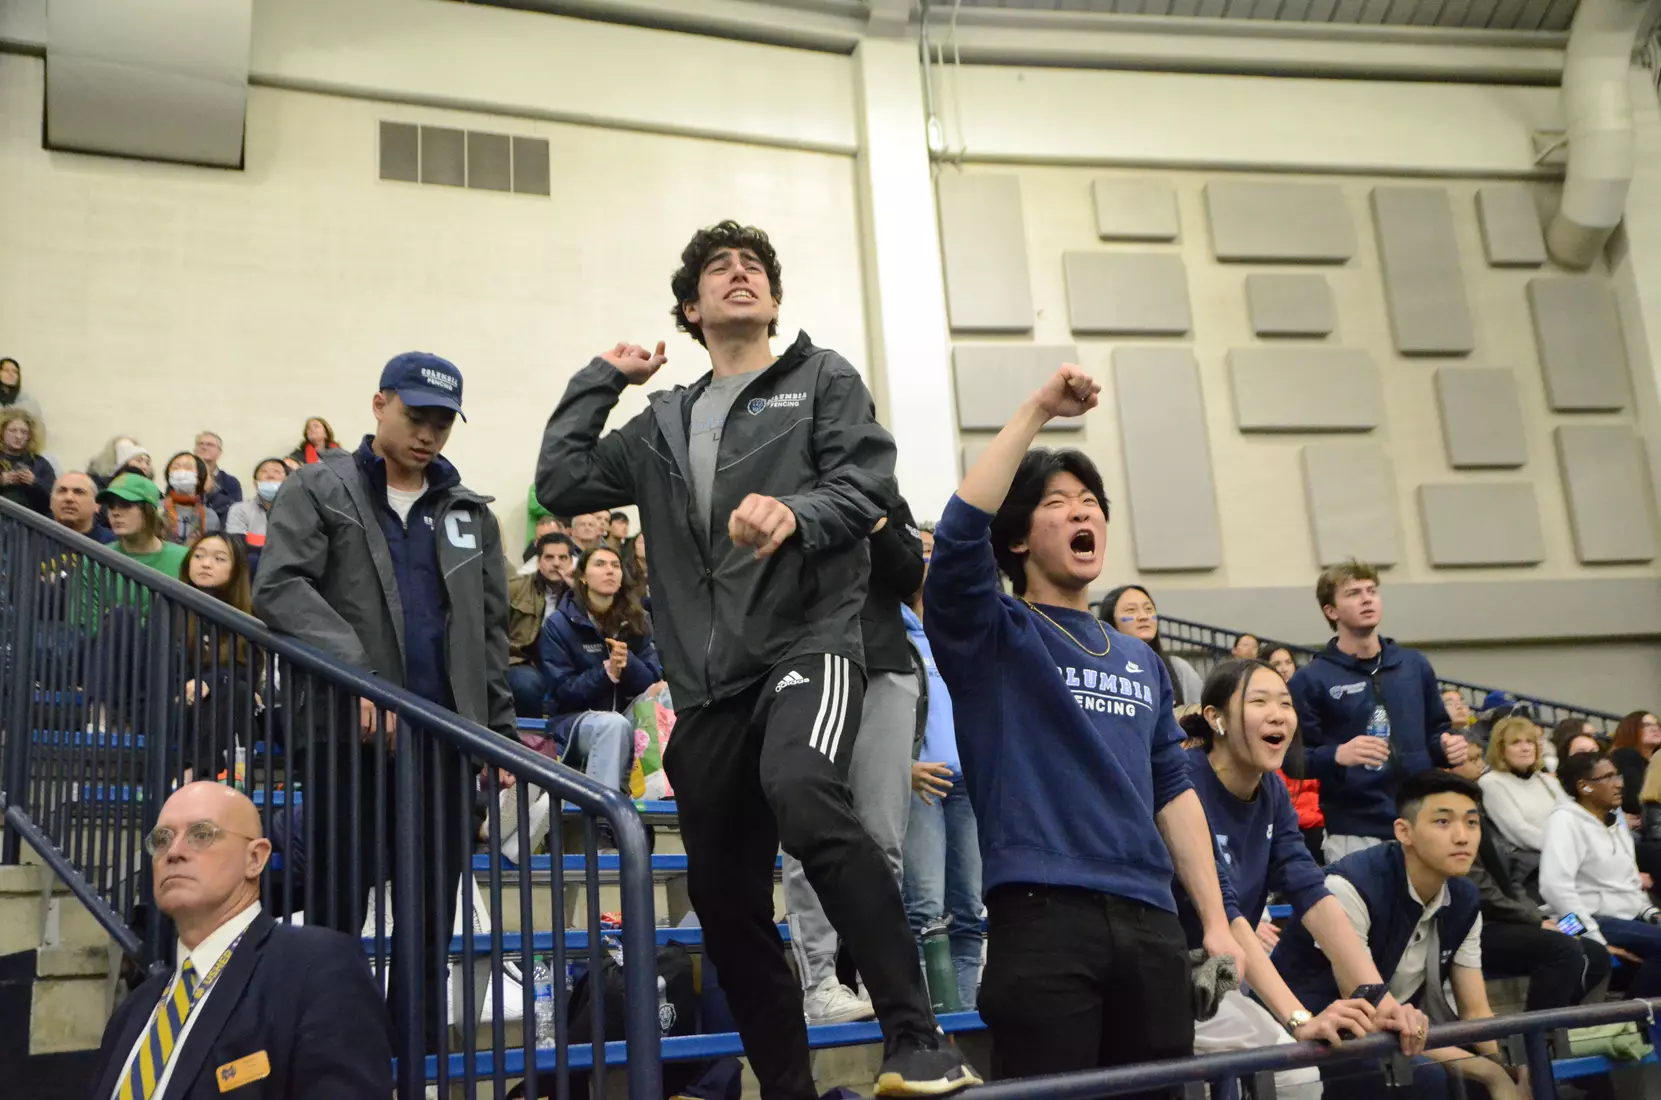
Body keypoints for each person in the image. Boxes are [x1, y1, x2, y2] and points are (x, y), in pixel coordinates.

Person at [537, 219, 972, 1098]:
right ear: (690, 310)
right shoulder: (660, 423)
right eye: (717, 268)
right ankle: (785, 1087)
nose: (739, 274)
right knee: (722, 897)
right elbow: (563, 481)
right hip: (705, 685)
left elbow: (865, 485)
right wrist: (602, 378)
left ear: (773, 300)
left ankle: (917, 1040)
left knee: (803, 790)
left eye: (754, 267)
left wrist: (796, 512)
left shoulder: (821, 379)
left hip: (808, 642)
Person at [922, 363, 1243, 1090]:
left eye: (1091, 503)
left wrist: (1214, 921)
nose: (1082, 515)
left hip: (1152, 921)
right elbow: (962, 529)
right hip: (1041, 915)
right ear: (1016, 539)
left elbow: (1173, 789)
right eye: (1058, 504)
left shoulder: (1139, 658)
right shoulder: (992, 631)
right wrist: (1038, 408)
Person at [253, 351, 515, 1053]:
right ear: (379, 404)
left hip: (445, 741)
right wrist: (359, 674)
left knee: (430, 916)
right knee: (337, 907)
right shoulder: (318, 485)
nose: (428, 434)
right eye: (415, 416)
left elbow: (489, 632)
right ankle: (328, 1053)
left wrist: (499, 733)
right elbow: (280, 586)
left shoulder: (469, 514)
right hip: (348, 731)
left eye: (441, 424)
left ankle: (416, 1054)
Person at [1176, 660, 1428, 1097]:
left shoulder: (1272, 790)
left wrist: (1378, 997)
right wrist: (1298, 1020)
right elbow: (1227, 912)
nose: (1278, 715)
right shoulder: (1183, 782)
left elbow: (1311, 890)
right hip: (1163, 973)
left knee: (1297, 1077)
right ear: (1216, 718)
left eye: (1285, 703)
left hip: (1215, 978)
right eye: (1259, 701)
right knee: (1287, 1074)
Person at [89, 782, 393, 1099]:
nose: (174, 852)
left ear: (255, 858)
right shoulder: (133, 1010)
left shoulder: (318, 969)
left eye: (201, 834)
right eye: (162, 839)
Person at [1272, 772, 1522, 1100]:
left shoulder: (1463, 898)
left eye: (1472, 823)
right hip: (1315, 1036)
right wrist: (1490, 1072)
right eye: (1443, 822)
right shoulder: (1349, 886)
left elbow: (1475, 1012)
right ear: (1404, 831)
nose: (1463, 837)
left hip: (1395, 1031)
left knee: (1504, 1073)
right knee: (1429, 1077)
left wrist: (1516, 1066)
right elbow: (1371, 1011)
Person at [785, 497, 926, 1025]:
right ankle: (819, 982)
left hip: (886, 665)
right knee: (809, 829)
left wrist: (878, 521)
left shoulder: (884, 493)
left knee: (883, 838)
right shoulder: (786, 476)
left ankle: (880, 979)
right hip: (806, 662)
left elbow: (909, 575)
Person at [1288, 560, 1466, 863]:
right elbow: (1294, 760)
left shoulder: (1413, 665)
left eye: (1372, 591)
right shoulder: (1311, 679)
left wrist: (1447, 746)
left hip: (1421, 819)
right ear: (1331, 611)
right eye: (1354, 593)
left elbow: (1436, 730)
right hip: (1356, 829)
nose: (1367, 599)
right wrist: (1337, 754)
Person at [1468, 762, 1612, 1014]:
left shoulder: (1614, 828)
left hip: (1546, 917)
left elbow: (1511, 884)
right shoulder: (1561, 825)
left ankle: (1562, 1022)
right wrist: (1538, 921)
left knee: (1596, 951)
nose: (1618, 783)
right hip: (1500, 925)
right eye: (1608, 777)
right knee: (1568, 946)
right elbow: (1492, 894)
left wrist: (1538, 919)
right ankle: (1540, 1032)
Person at [901, 594, 982, 1011]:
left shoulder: (959, 629)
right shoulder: (885, 628)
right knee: (926, 912)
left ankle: (961, 1017)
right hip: (918, 782)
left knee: (968, 912)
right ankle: (929, 1022)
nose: (928, 564)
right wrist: (901, 765)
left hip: (968, 783)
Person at [534, 544, 662, 792]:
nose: (609, 571)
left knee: (664, 694)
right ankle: (602, 813)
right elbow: (563, 691)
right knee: (613, 724)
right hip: (575, 722)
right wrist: (606, 673)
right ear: (582, 576)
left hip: (627, 715)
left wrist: (628, 664)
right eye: (600, 564)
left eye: (615, 565)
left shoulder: (639, 619)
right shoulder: (559, 624)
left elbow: (651, 680)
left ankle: (658, 793)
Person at [1540, 751, 1661, 998]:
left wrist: (1652, 913)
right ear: (1584, 786)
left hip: (1626, 919)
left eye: (1618, 775)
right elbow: (1554, 889)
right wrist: (1592, 938)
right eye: (1608, 777)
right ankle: (1632, 1015)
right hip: (1583, 919)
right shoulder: (1565, 821)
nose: (1619, 784)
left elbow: (1630, 884)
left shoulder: (1615, 823)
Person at [176, 533, 262, 782]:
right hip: (178, 707)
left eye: (219, 558)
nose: (205, 564)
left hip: (224, 707)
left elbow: (247, 673)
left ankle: (196, 773)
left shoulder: (247, 620)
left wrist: (210, 682)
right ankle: (209, 777)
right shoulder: (170, 609)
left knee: (234, 690)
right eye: (198, 556)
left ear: (236, 570)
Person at [1098, 583, 1204, 706]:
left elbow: (1200, 711)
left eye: (1148, 609)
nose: (1144, 616)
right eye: (1131, 610)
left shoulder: (1178, 669)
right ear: (1110, 620)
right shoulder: (1098, 670)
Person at [507, 531, 577, 718]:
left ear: (571, 562)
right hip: (521, 661)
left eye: (563, 558)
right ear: (538, 562)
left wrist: (577, 592)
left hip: (566, 664)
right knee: (527, 684)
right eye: (549, 557)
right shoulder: (514, 588)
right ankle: (531, 734)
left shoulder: (582, 592)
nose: (556, 563)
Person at [1476, 717, 1559, 868]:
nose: (1525, 748)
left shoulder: (1547, 780)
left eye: (1530, 742)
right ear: (1501, 750)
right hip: (1536, 865)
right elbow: (1519, 831)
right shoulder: (1491, 782)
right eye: (1516, 743)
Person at [99, 473, 190, 575]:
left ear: (148, 510)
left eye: (125, 504)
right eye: (111, 505)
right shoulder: (99, 559)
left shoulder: (184, 559)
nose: (115, 513)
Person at [224, 458, 288, 573]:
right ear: (255, 484)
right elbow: (237, 545)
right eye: (264, 471)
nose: (270, 476)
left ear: (288, 481)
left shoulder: (298, 511)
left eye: (277, 472)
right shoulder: (240, 509)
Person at [0, 408, 54, 515]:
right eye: (13, 431)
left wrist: (34, 482)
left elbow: (53, 500)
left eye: (24, 432)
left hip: (29, 521)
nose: (18, 436)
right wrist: (2, 480)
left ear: (30, 436)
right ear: (2, 432)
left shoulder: (41, 464)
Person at [162, 451, 223, 545]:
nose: (181, 472)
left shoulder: (210, 516)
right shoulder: (157, 508)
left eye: (188, 468)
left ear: (199, 477)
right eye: (175, 468)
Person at [1610, 710, 1661, 817]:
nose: (1655, 728)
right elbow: (1633, 798)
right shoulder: (1626, 755)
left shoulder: (1656, 762)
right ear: (1631, 729)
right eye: (1646, 725)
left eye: (1657, 725)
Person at [50, 470, 116, 544]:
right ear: (50, 502)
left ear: (97, 505)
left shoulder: (114, 544)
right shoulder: (39, 536)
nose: (69, 498)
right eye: (62, 491)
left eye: (79, 492)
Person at [194, 431, 240, 519]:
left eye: (209, 444)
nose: (204, 447)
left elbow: (236, 513)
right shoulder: (185, 478)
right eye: (200, 444)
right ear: (194, 450)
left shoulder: (230, 482)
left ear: (219, 453)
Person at [0, 356, 43, 425]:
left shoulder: (28, 401)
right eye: (6, 370)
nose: (11, 374)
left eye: (15, 371)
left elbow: (37, 426)